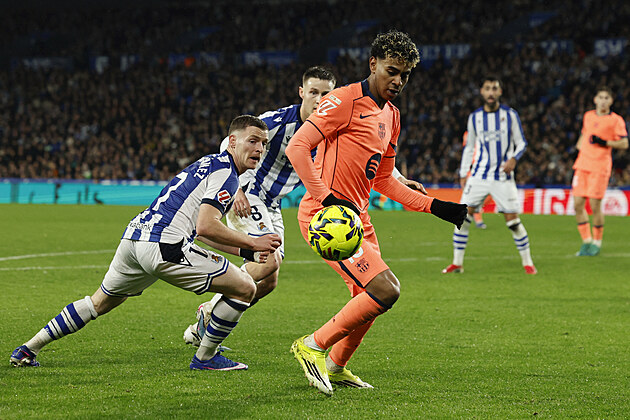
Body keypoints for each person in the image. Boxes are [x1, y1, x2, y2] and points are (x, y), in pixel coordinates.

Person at [10, 115, 282, 371]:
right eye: (252, 141)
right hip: (165, 245)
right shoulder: (227, 175)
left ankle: (28, 349)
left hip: (135, 237)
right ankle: (206, 357)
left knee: (99, 302)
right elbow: (206, 226)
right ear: (232, 141)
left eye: (264, 143)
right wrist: (254, 241)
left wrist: (245, 250)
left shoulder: (208, 163)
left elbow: (201, 233)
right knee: (245, 287)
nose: (259, 149)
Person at [182, 67, 426, 348]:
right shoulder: (278, 121)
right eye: (313, 92)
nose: (320, 99)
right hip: (251, 195)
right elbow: (230, 141)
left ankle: (204, 325)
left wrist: (399, 178)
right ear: (302, 93)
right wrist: (236, 188)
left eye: (326, 93)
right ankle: (210, 312)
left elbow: (368, 153)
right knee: (268, 261)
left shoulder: (334, 123)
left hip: (273, 204)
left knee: (269, 281)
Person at [284, 30, 467, 395]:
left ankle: (336, 366)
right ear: (373, 64)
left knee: (368, 298)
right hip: (328, 220)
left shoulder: (392, 116)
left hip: (359, 220)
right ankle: (312, 346)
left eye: (405, 75)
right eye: (391, 71)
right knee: (385, 289)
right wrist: (326, 199)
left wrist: (436, 207)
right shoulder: (343, 100)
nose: (398, 81)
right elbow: (297, 147)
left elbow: (383, 180)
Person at [442, 76, 536, 275]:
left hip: (502, 177)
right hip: (479, 176)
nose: (491, 92)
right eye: (487, 88)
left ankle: (528, 263)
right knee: (461, 217)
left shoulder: (510, 115)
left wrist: (514, 158)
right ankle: (457, 263)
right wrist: (463, 173)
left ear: (500, 92)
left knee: (513, 222)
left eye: (494, 88)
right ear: (482, 92)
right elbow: (469, 147)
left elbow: (521, 142)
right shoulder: (475, 117)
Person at [572, 86, 628, 256]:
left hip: (600, 167)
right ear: (595, 99)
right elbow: (584, 134)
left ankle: (597, 242)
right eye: (600, 97)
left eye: (606, 98)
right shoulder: (588, 116)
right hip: (582, 165)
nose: (603, 101)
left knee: (594, 205)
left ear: (611, 101)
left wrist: (605, 142)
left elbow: (624, 143)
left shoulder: (616, 120)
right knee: (577, 205)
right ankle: (586, 241)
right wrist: (580, 147)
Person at [463, 131, 487, 229]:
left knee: (486, 195)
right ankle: (478, 219)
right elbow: (467, 150)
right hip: (473, 169)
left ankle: (475, 210)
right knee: (473, 196)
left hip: (484, 168)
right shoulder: (468, 134)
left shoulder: (485, 131)